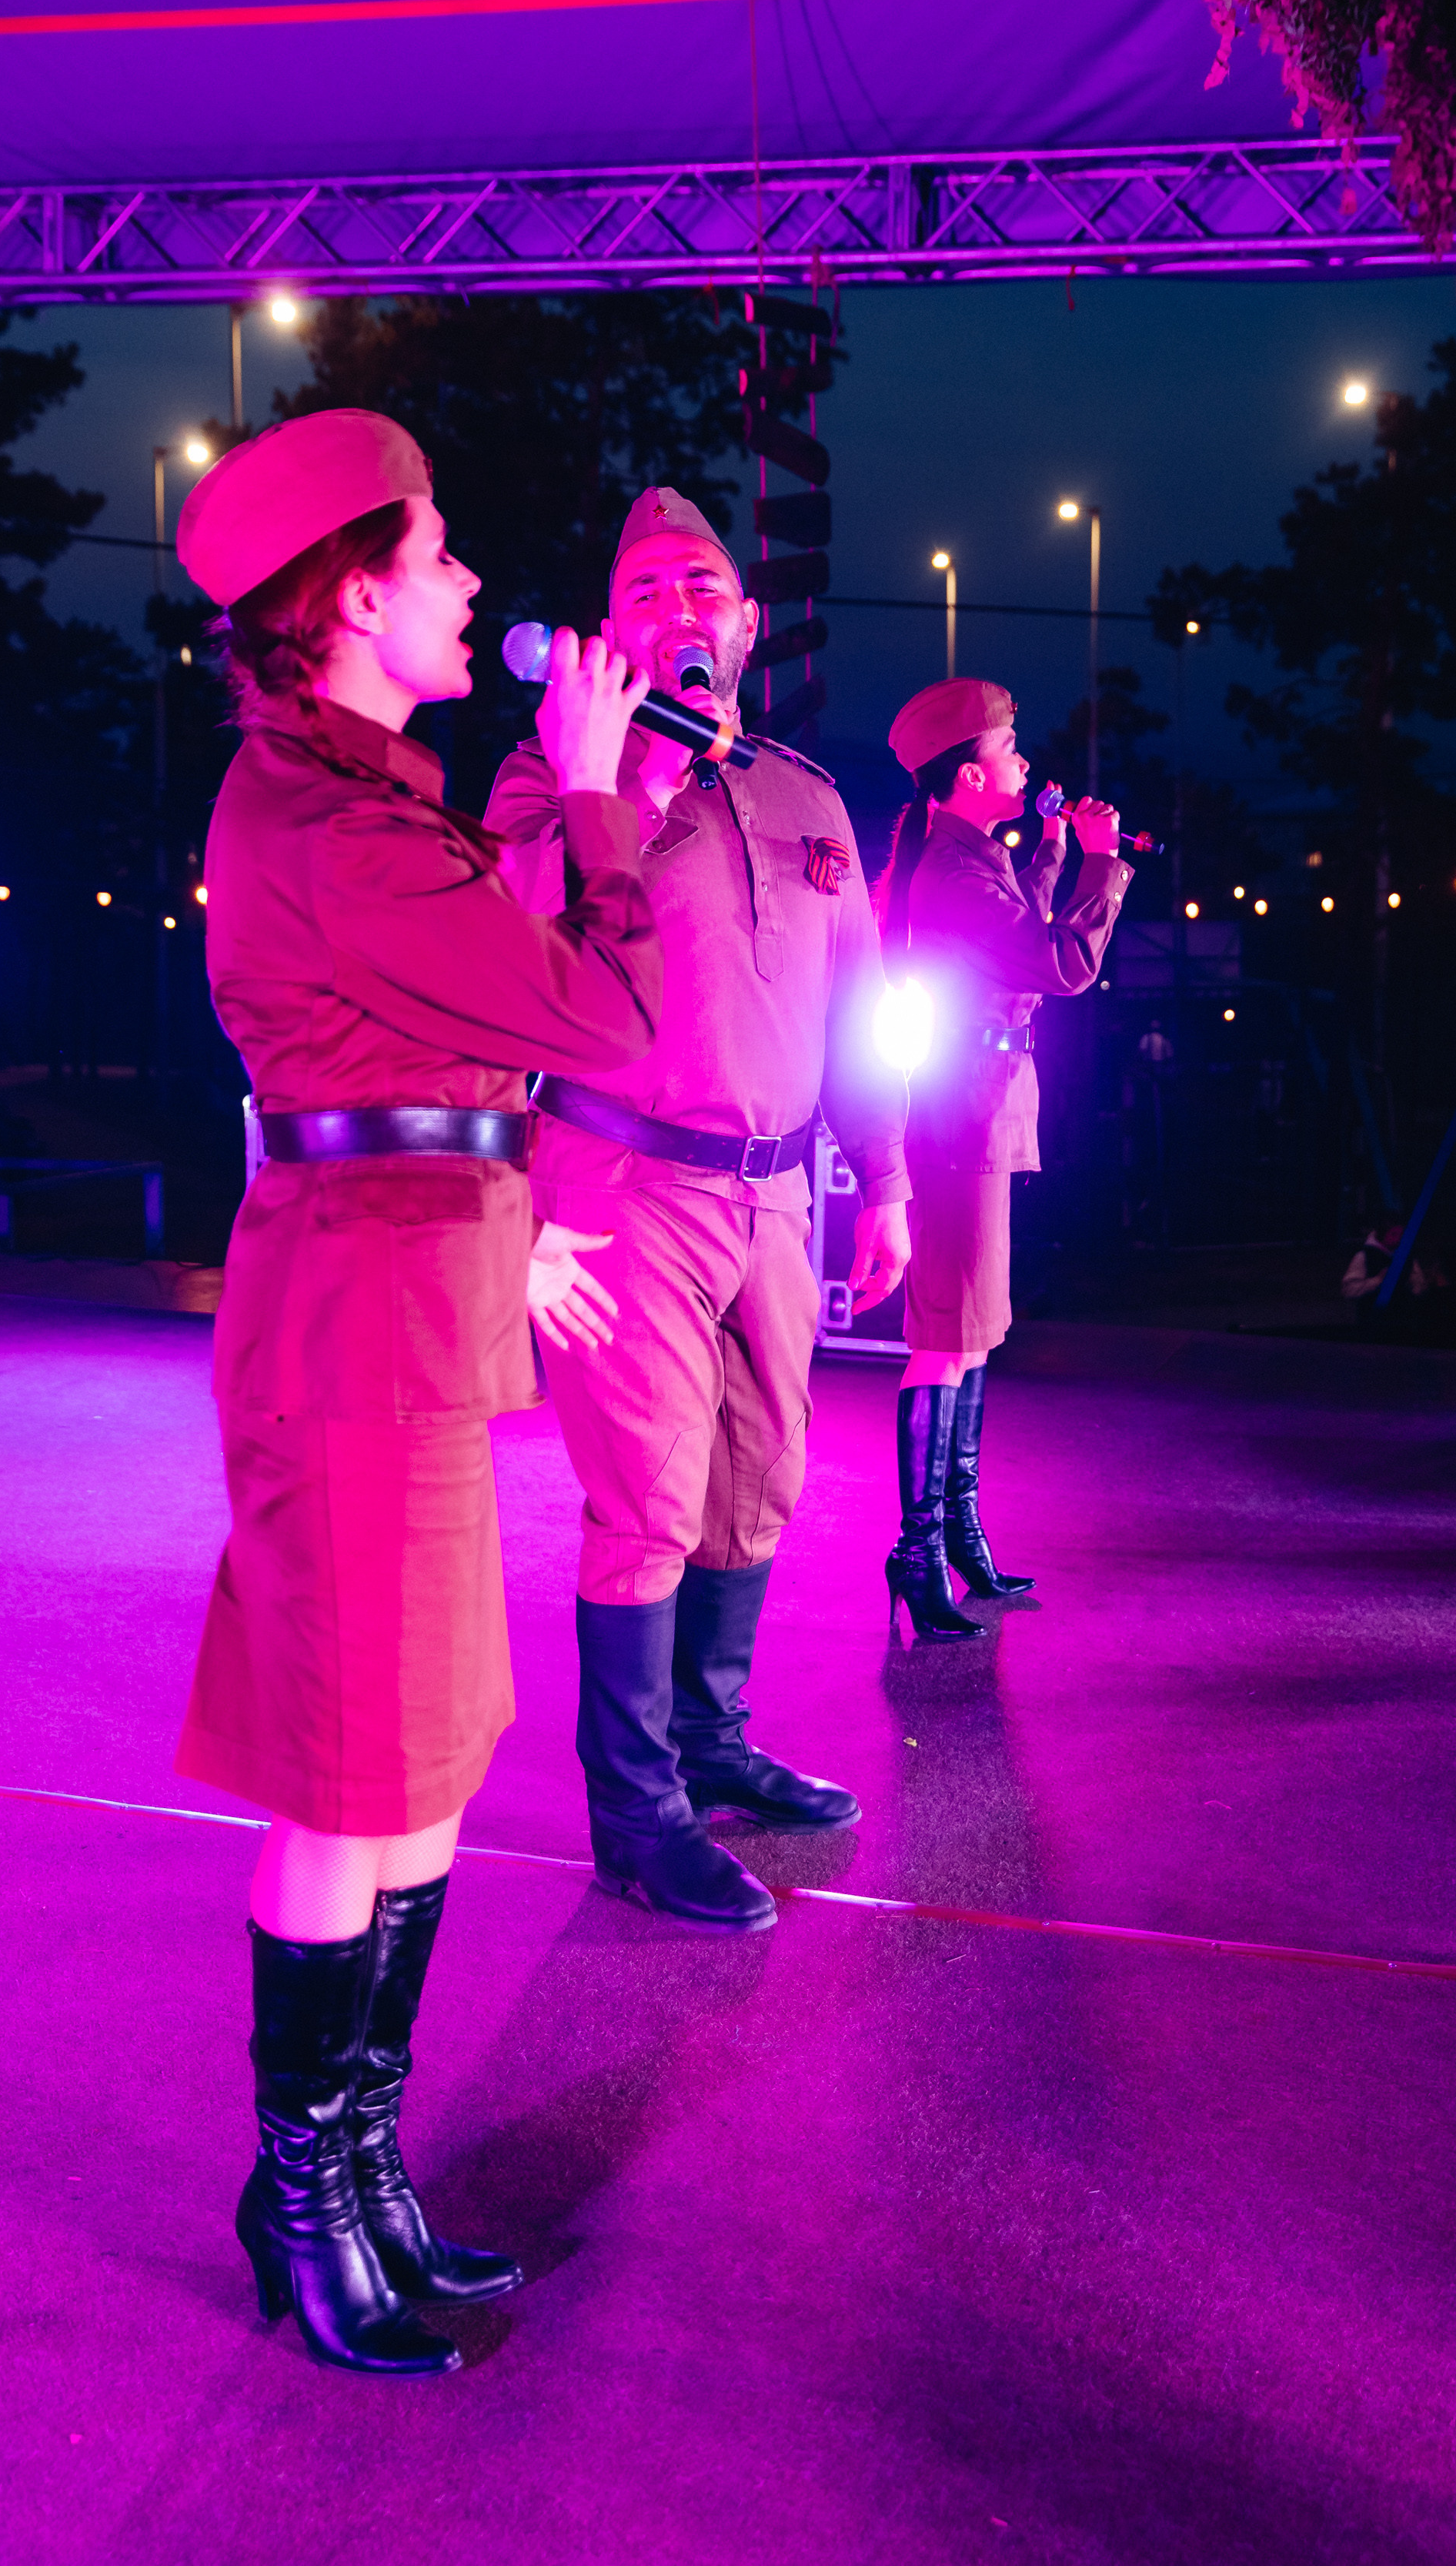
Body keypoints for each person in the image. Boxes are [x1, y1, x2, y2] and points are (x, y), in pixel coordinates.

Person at [172, 411, 660, 2376]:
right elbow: (602, 1013)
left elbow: (420, 1082)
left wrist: (502, 1230)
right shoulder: (328, 824)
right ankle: (303, 2196)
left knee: (427, 1763)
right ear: (350, 600)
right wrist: (598, 797)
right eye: (438, 555)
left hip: (407, 1313)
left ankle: (358, 2171)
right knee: (349, 1776)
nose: (471, 585)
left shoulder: (363, 800)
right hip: (352, 1344)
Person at [484, 486, 911, 1937]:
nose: (679, 608)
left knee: (758, 1478)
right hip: (621, 1185)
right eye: (647, 591)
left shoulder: (804, 794)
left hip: (777, 1195)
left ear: (745, 623)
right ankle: (637, 1818)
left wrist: (885, 1180)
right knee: (648, 1499)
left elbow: (860, 1007)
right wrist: (633, 784)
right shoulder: (551, 772)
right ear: (611, 630)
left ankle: (711, 1745)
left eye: (702, 588)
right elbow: (508, 944)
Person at [875, 679, 1130, 1636]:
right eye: (1010, 747)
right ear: (971, 774)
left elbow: (1024, 931)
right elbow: (1059, 962)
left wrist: (1059, 847)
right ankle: (918, 1548)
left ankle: (957, 1533)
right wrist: (1100, 863)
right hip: (958, 1123)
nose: (1025, 760)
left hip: (981, 1111)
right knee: (946, 1336)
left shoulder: (968, 857)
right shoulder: (951, 870)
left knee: (974, 1331)